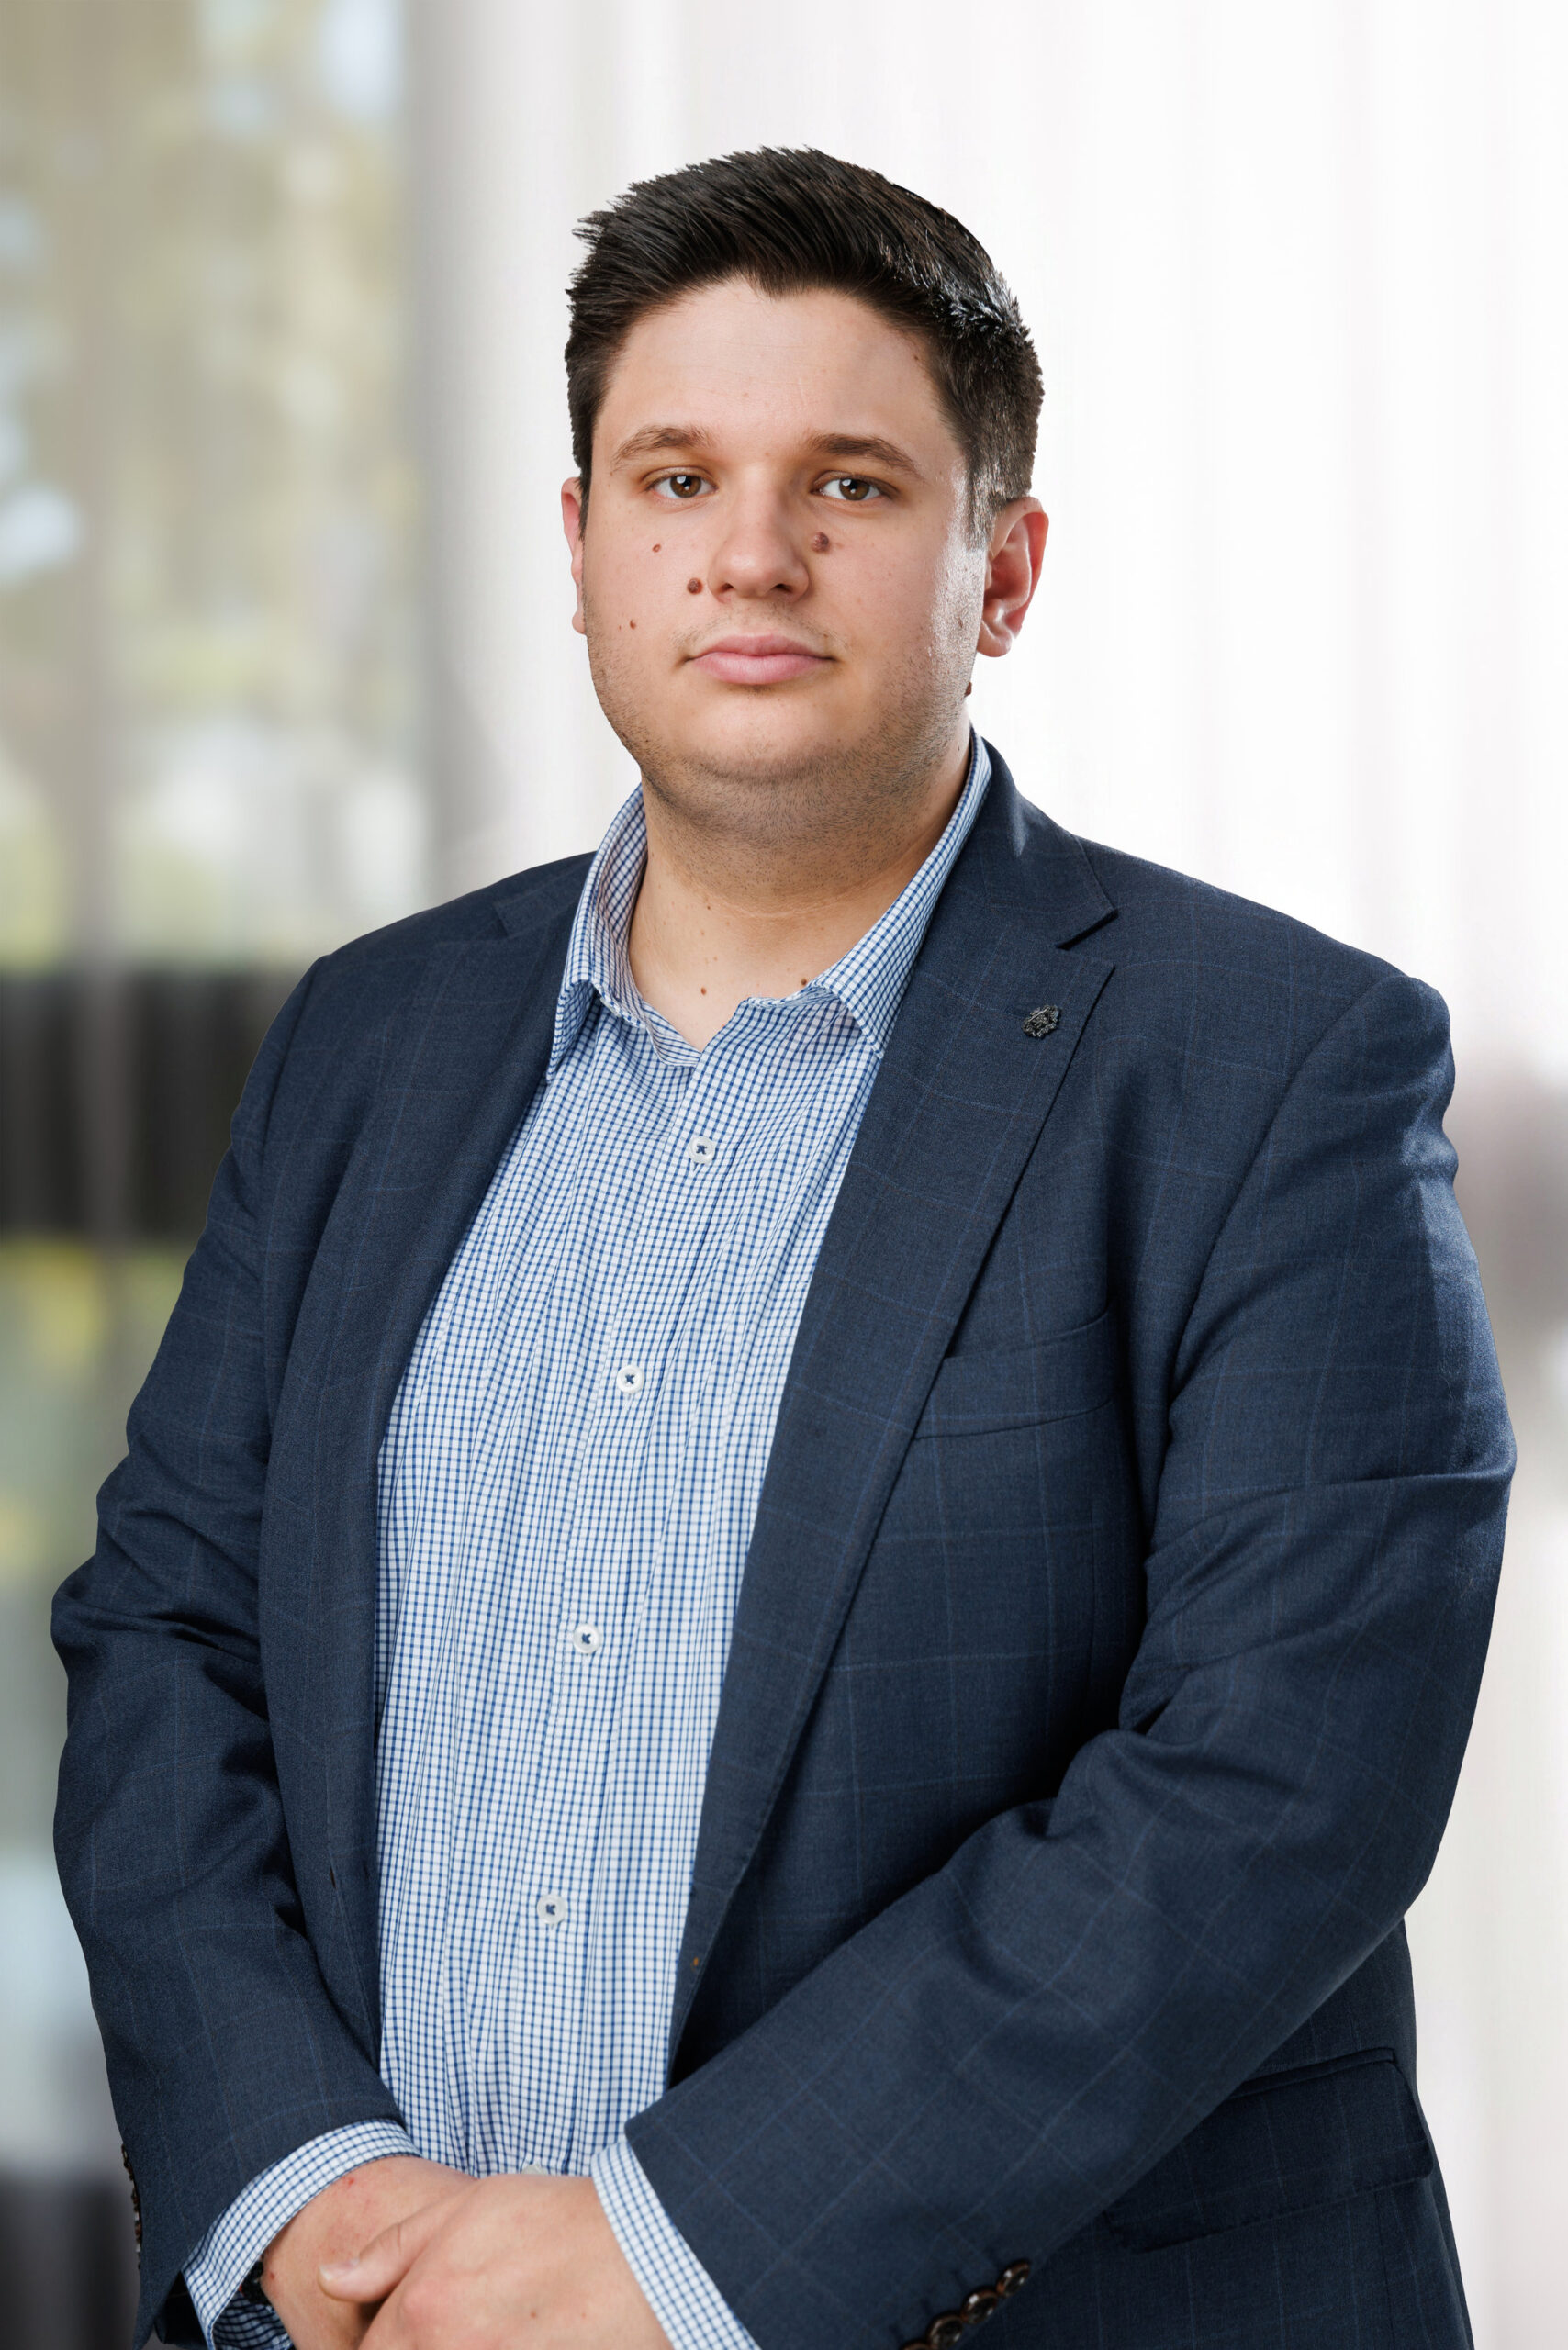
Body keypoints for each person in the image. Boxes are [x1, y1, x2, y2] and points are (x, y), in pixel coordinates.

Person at [54, 149, 1511, 2350]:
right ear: (578, 549)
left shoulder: (1274, 1068)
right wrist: (296, 2180)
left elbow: (1273, 1783)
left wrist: (668, 2253)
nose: (748, 552)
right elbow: (167, 1629)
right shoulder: (369, 1036)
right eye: (675, 479)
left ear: (1000, 569)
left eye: (847, 481)